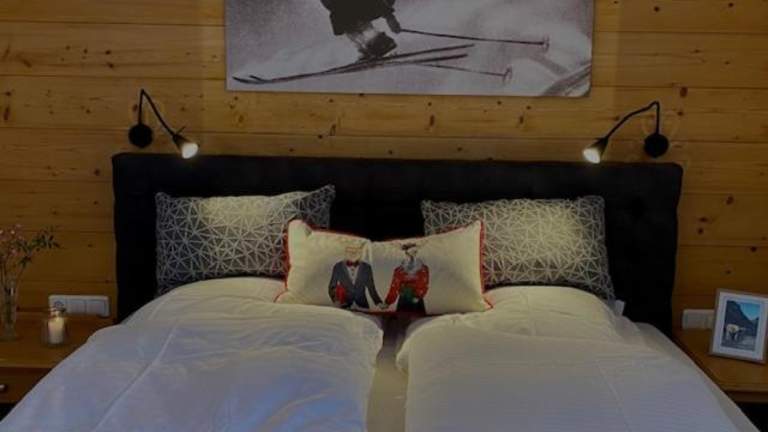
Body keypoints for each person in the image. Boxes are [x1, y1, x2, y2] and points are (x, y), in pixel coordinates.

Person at [318, 0, 402, 59]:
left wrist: (390, 18)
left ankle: (377, 42)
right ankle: (369, 45)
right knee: (342, 18)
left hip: (367, 5)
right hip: (349, 9)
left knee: (347, 15)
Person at [328, 243, 385, 310]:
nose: (353, 253)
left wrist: (378, 303)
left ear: (360, 253)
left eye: (356, 251)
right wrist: (336, 301)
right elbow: (332, 287)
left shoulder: (367, 268)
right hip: (344, 307)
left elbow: (371, 288)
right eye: (350, 251)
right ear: (345, 253)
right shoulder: (338, 267)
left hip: (363, 306)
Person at [385, 243, 430, 314]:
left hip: (417, 301)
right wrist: (388, 302)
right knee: (402, 319)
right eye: (408, 253)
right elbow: (394, 287)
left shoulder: (423, 269)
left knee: (419, 320)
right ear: (405, 254)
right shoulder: (398, 271)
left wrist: (418, 296)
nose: (411, 256)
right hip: (403, 300)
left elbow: (425, 284)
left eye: (414, 252)